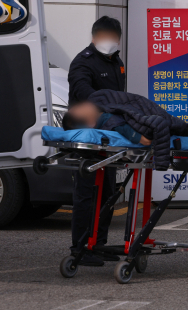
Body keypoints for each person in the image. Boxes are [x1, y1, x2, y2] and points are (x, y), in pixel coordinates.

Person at [66, 16, 126, 266]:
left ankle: (98, 243)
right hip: (87, 132)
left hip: (109, 134)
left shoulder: (116, 62)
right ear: (95, 37)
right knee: (88, 192)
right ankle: (80, 247)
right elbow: (84, 93)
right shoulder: (83, 63)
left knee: (108, 192)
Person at [62, 95, 188, 149]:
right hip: (164, 131)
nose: (85, 104)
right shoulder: (108, 121)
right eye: (80, 109)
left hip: (158, 125)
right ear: (88, 123)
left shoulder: (106, 117)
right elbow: (145, 141)